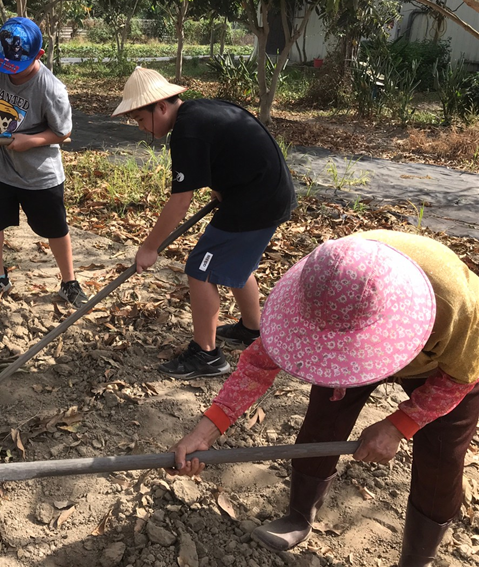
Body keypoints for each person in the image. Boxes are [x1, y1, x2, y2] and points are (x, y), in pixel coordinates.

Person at [169, 230, 479, 567]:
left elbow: (457, 378)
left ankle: (417, 560)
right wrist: (207, 428)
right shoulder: (322, 281)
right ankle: (299, 516)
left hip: (447, 364)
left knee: (441, 455)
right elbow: (259, 363)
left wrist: (398, 426)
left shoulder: (457, 303)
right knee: (324, 419)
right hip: (356, 343)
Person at [111, 67, 296, 378]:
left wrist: (149, 247)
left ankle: (207, 355)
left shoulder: (187, 131)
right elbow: (230, 150)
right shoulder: (199, 111)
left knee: (200, 270)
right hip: (266, 191)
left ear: (161, 107)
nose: (141, 127)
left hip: (257, 200)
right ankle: (253, 330)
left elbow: (180, 201)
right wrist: (222, 186)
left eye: (141, 119)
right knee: (237, 262)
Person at [0, 17, 88, 308]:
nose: (9, 73)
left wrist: (31, 141)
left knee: (55, 228)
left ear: (38, 55)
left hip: (39, 173)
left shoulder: (51, 88)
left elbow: (63, 131)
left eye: (17, 67)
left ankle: (69, 282)